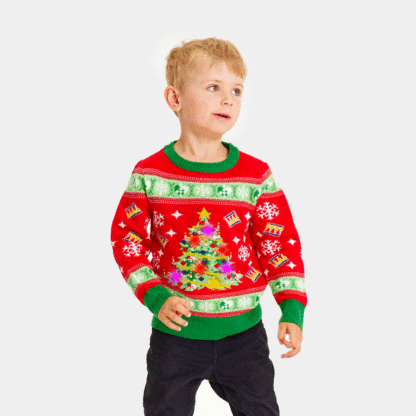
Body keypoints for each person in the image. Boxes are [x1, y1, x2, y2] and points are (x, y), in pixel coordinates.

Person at [110, 37, 307, 416]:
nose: (228, 100)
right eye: (214, 87)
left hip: (244, 338)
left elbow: (279, 243)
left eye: (236, 90)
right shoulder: (150, 173)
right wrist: (154, 295)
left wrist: (291, 308)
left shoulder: (255, 175)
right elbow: (127, 240)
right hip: (175, 337)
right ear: (175, 99)